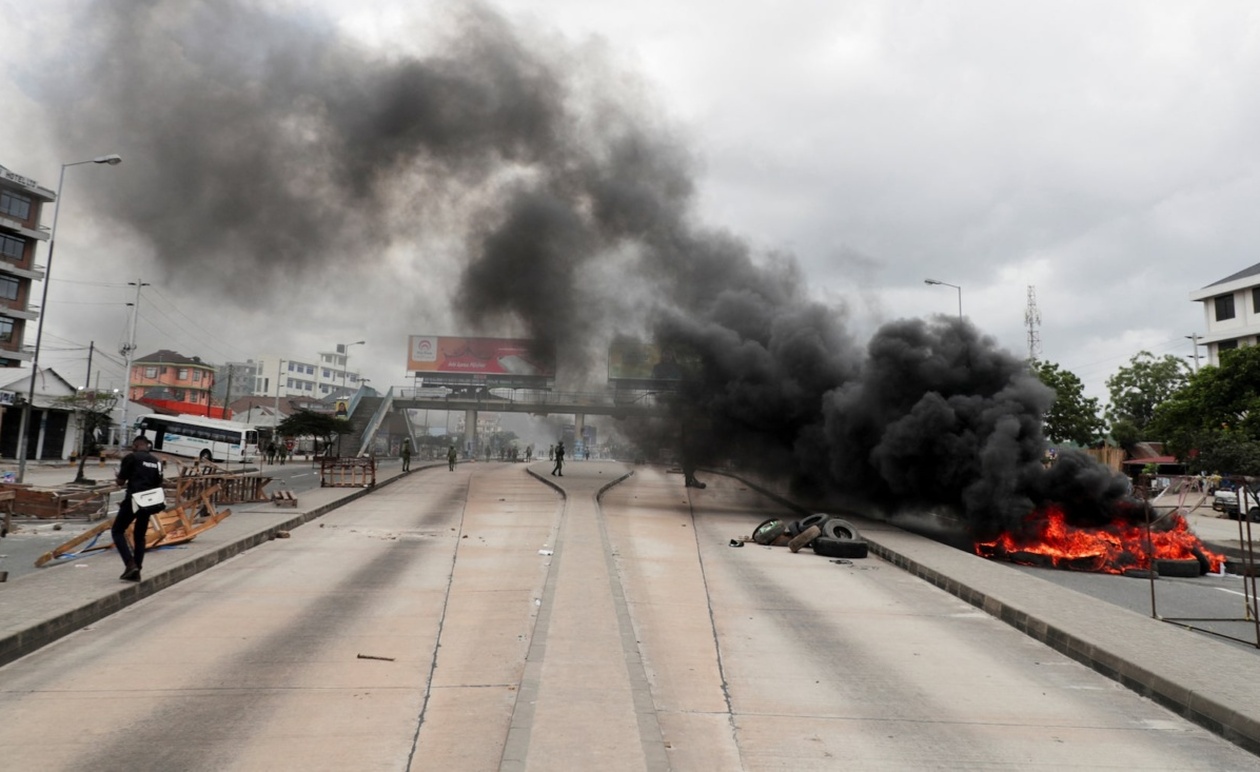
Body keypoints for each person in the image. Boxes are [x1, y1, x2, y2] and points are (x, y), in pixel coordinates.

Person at [112, 435, 165, 582]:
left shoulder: (131, 458)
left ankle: (130, 564)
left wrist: (118, 476)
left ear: (135, 445)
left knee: (117, 531)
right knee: (140, 536)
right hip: (148, 503)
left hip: (133, 500)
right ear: (147, 446)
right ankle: (137, 571)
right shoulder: (156, 462)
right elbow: (159, 482)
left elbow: (121, 482)